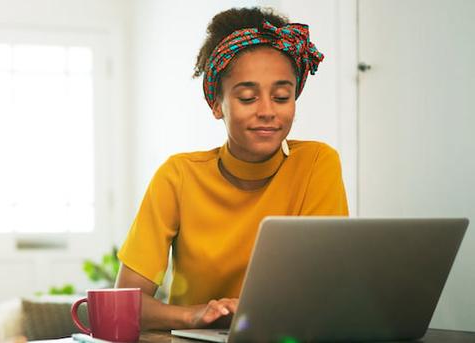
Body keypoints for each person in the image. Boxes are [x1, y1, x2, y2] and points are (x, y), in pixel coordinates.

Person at [115, 7, 349, 330]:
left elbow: (326, 291)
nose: (268, 111)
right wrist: (194, 315)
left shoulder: (317, 164)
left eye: (282, 96)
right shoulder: (178, 176)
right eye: (248, 98)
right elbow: (125, 301)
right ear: (215, 104)